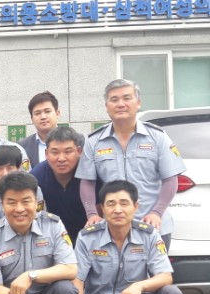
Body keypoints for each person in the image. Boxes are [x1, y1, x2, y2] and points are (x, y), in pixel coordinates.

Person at [78, 78, 186, 248]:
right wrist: (91, 214)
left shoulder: (158, 137)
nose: (121, 104)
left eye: (127, 98)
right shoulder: (93, 141)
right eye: (114, 99)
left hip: (153, 227)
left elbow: (171, 179)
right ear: (106, 106)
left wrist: (157, 212)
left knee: (157, 267)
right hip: (113, 229)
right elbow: (87, 182)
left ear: (138, 103)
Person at [31, 127, 88, 245]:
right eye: (55, 152)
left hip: (88, 239)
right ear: (46, 153)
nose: (61, 158)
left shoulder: (90, 174)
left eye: (68, 151)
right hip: (51, 241)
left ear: (79, 151)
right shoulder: (36, 177)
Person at [18, 91, 60, 169]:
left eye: (47, 111)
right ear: (32, 118)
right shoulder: (22, 147)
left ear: (57, 113)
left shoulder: (76, 140)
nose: (43, 117)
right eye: (37, 113)